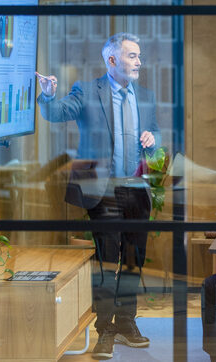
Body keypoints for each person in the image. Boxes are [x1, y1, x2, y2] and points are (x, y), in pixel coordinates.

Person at [36, 32, 160, 360]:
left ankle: (127, 322)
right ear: (112, 60)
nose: (139, 62)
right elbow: (58, 113)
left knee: (133, 258)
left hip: (136, 190)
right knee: (107, 261)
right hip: (102, 190)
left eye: (139, 56)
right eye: (132, 56)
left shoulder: (146, 96)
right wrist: (48, 97)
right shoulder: (88, 91)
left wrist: (153, 138)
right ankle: (104, 329)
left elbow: (157, 135)